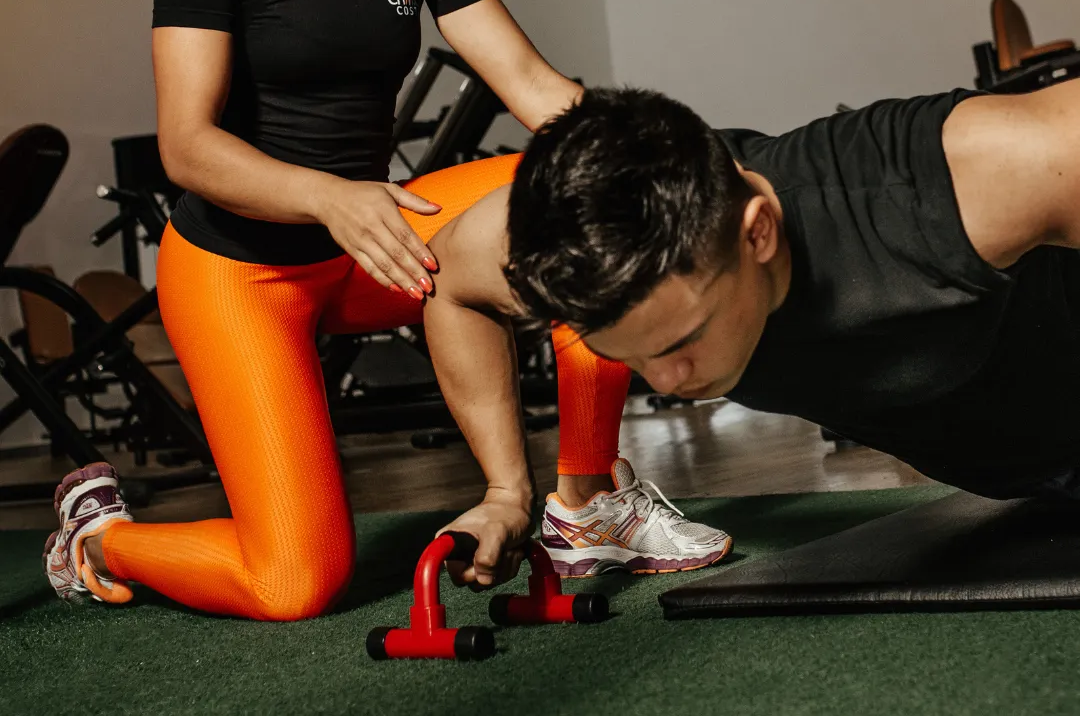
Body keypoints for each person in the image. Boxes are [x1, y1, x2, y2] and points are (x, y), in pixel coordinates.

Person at [43, 0, 729, 617]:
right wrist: (330, 194)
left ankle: (585, 505)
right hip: (245, 270)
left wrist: (674, 156)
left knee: (588, 195)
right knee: (294, 583)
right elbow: (188, 149)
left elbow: (532, 87)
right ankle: (99, 535)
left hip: (382, 240)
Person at [309, 77, 1080, 578]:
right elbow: (448, 285)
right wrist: (509, 490)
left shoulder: (936, 183)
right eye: (627, 353)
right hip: (1027, 488)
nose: (665, 383)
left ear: (758, 232)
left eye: (681, 341)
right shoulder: (575, 240)